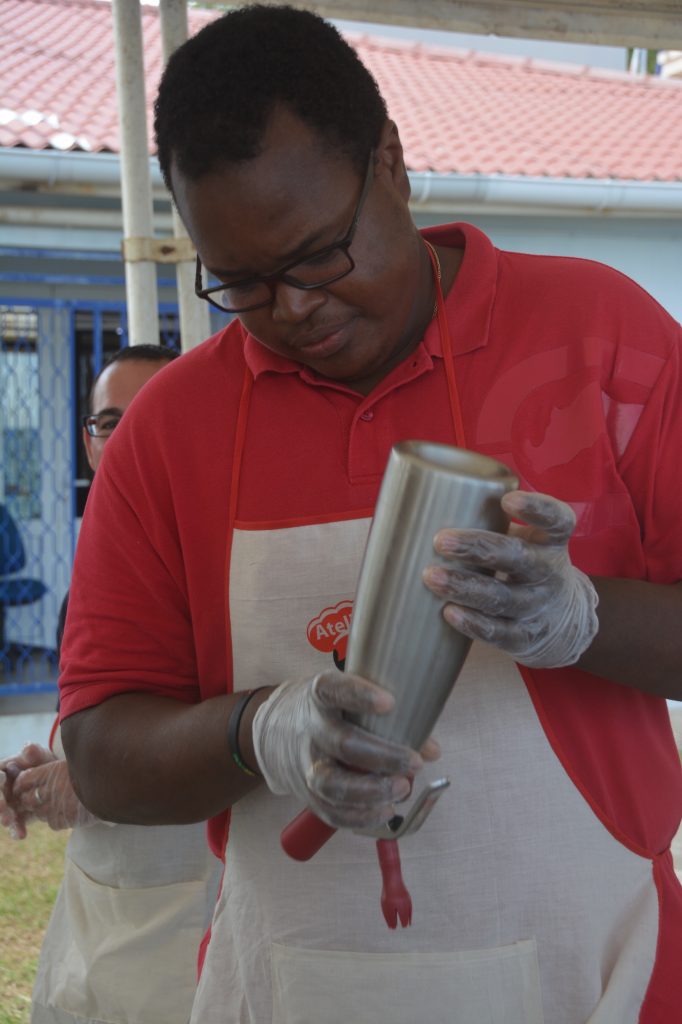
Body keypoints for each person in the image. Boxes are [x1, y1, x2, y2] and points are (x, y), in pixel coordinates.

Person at [57, 6, 682, 1023]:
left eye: (319, 256)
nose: (294, 309)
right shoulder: (174, 427)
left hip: (603, 979)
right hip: (296, 985)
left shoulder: (602, 339)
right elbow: (101, 754)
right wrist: (258, 730)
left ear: (389, 161)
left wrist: (583, 618)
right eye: (244, 283)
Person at [0, 344, 221, 1024]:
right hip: (94, 911)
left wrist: (97, 781)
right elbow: (97, 725)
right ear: (90, 442)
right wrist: (49, 773)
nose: (125, 438)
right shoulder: (94, 576)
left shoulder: (225, 565)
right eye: (108, 422)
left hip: (189, 920)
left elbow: (247, 735)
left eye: (149, 414)